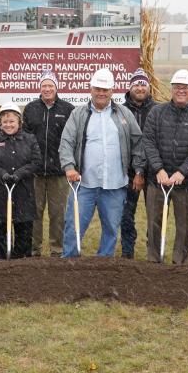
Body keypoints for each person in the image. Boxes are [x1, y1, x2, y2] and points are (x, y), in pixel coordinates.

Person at [58, 68, 144, 257]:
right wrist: (69, 166)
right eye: (98, 89)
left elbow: (138, 143)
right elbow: (66, 142)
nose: (101, 93)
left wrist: (139, 171)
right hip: (84, 185)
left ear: (112, 91)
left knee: (111, 229)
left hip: (114, 185)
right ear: (91, 89)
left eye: (105, 89)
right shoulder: (78, 114)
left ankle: (103, 267)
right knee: (74, 227)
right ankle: (69, 265)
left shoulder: (124, 114)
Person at [141, 69, 188, 265]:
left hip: (186, 183)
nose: (181, 91)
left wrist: (182, 172)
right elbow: (149, 142)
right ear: (171, 89)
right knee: (154, 223)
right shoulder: (157, 113)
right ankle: (154, 260)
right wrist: (159, 169)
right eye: (177, 87)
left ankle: (180, 264)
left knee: (183, 226)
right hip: (158, 181)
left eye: (185, 88)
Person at [23, 69, 74, 257]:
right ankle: (34, 250)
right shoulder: (30, 109)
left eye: (50, 85)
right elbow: (25, 139)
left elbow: (73, 139)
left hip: (59, 173)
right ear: (40, 87)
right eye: (44, 85)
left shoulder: (67, 110)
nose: (47, 89)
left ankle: (57, 250)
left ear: (56, 87)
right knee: (34, 213)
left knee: (58, 214)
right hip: (35, 173)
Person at [0, 103, 41, 259]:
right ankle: (3, 266)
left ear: (19, 122)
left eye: (12, 121)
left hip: (24, 193)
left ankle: (22, 265)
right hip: (1, 193)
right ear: (0, 123)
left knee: (24, 233)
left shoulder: (29, 139)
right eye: (5, 122)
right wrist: (2, 174)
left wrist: (19, 174)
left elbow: (36, 162)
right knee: (2, 232)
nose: (8, 125)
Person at [120, 68, 159, 259]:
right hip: (127, 171)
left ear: (148, 87)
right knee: (126, 214)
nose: (140, 87)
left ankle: (153, 254)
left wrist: (144, 170)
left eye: (143, 84)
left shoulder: (158, 110)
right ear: (130, 87)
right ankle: (128, 252)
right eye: (136, 84)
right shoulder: (120, 110)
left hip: (154, 170)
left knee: (155, 215)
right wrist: (135, 170)